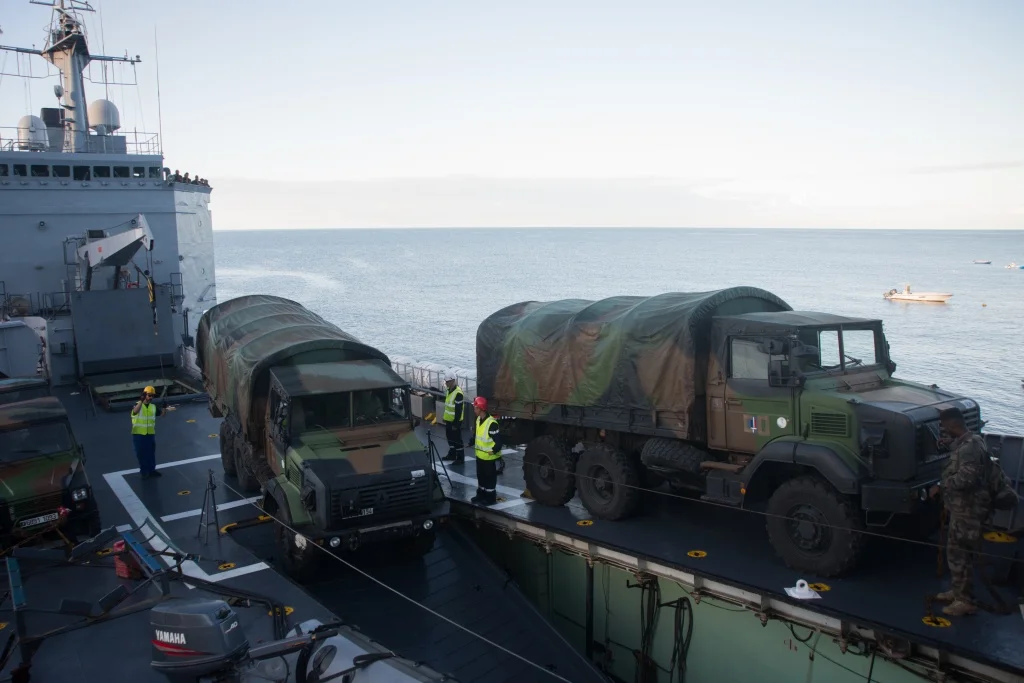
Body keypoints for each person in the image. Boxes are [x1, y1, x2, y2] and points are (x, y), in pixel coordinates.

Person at [928, 406, 994, 616]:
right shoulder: (973, 440)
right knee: (956, 552)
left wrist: (941, 486)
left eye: (944, 426)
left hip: (968, 509)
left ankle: (965, 601)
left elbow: (967, 478)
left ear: (952, 424)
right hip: (963, 508)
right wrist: (950, 445)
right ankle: (958, 591)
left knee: (960, 554)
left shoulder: (969, 449)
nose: (943, 429)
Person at [466, 396, 501, 505]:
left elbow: (498, 441)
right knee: (480, 476)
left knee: (489, 478)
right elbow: (477, 434)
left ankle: (490, 498)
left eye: (475, 408)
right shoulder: (478, 420)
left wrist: (494, 450)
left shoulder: (492, 424)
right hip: (480, 456)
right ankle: (480, 494)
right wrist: (471, 441)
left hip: (488, 457)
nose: (474, 410)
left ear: (481, 409)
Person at [131, 386, 167, 479]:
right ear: (144, 395)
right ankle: (144, 472)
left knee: (151, 453)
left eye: (152, 396)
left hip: (150, 434)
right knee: (141, 453)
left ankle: (152, 470)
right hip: (139, 434)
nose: (151, 397)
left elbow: (162, 415)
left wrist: (164, 407)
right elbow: (135, 412)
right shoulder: (137, 405)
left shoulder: (153, 407)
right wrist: (141, 401)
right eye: (149, 395)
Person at [441, 371, 465, 463]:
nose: (446, 383)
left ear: (452, 381)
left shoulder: (458, 393)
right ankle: (452, 454)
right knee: (450, 438)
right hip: (448, 420)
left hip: (455, 421)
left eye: (447, 382)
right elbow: (448, 406)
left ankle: (460, 458)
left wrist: (456, 423)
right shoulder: (449, 391)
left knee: (457, 440)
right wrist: (445, 417)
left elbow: (458, 410)